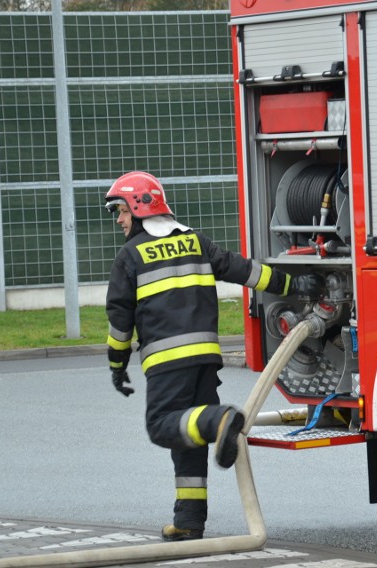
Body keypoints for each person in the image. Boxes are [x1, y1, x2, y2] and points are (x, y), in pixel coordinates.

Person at [104, 171, 323, 542]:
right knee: (186, 437)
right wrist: (293, 285)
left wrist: (116, 365)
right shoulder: (195, 242)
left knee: (162, 426)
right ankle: (189, 521)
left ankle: (221, 420)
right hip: (205, 360)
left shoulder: (130, 256)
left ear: (140, 208)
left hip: (166, 363)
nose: (119, 220)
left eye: (121, 211)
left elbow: (119, 319)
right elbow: (244, 271)